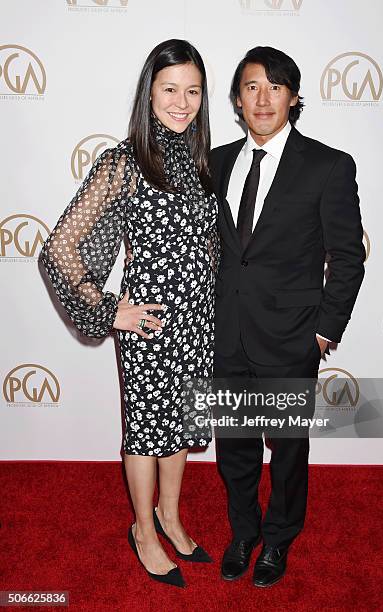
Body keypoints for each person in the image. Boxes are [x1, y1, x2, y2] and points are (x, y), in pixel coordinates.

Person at [40, 39, 219, 588]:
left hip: (198, 324)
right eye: (170, 89)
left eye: (192, 91)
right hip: (151, 322)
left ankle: (171, 516)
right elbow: (60, 248)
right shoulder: (123, 162)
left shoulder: (202, 163)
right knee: (146, 433)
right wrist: (111, 309)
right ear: (149, 93)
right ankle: (143, 529)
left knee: (180, 428)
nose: (181, 102)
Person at [210, 46, 365, 588]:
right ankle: (243, 531)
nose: (263, 98)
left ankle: (278, 539)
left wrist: (324, 330)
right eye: (252, 86)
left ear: (294, 98)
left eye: (276, 87)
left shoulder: (327, 165)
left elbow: (347, 257)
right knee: (235, 447)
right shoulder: (216, 162)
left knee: (289, 451)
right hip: (224, 334)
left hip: (291, 337)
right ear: (236, 97)